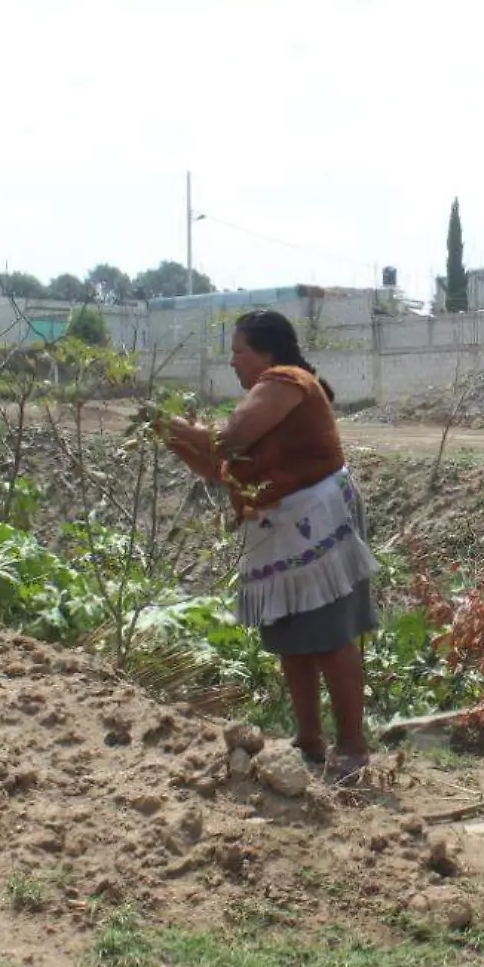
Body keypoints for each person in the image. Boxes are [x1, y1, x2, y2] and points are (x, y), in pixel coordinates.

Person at [159, 309, 380, 783]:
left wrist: (177, 427)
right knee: (292, 637)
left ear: (266, 353)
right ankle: (309, 737)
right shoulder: (267, 398)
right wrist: (172, 435)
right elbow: (222, 468)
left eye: (239, 351)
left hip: (316, 523)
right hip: (282, 525)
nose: (233, 362)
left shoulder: (286, 380)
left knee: (329, 636)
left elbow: (227, 440)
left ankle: (353, 746)